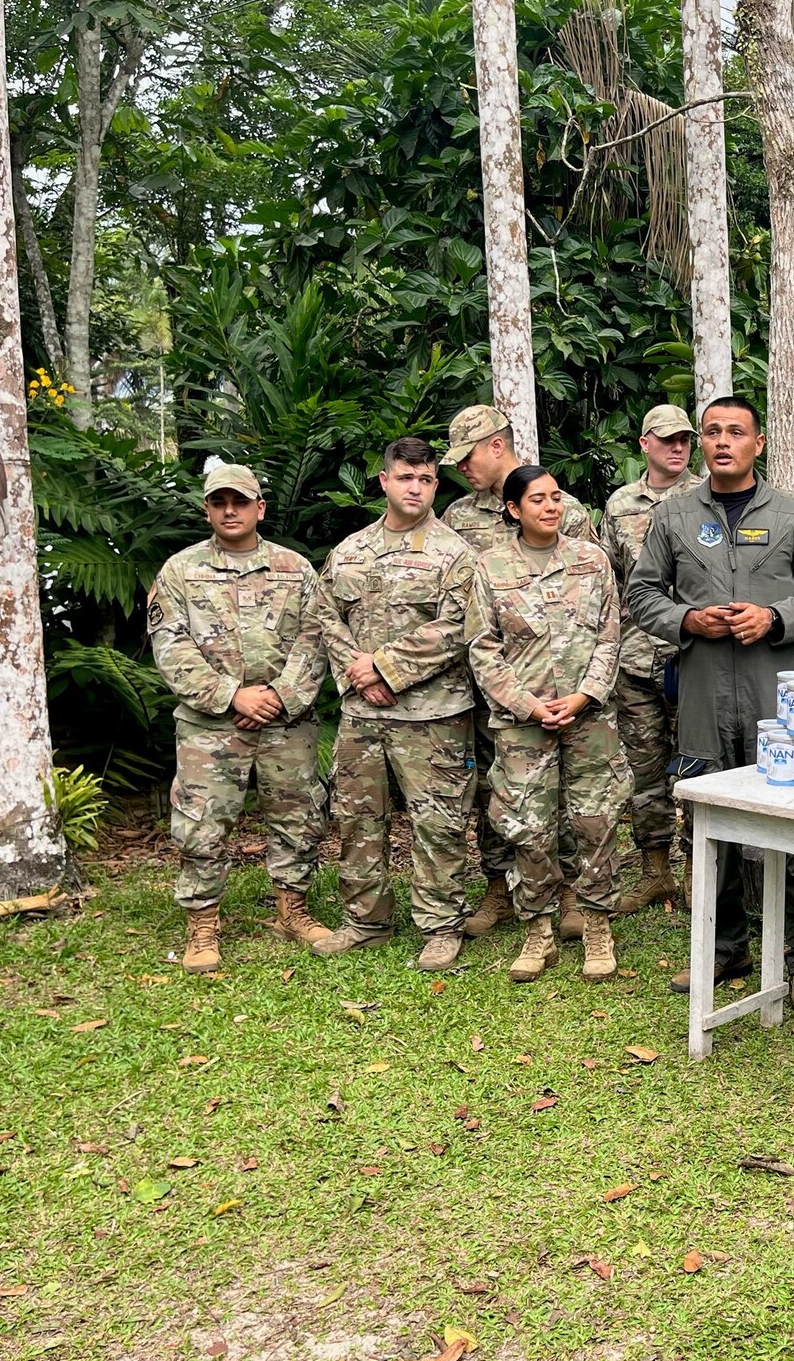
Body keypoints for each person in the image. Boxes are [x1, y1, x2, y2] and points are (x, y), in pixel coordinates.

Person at [627, 395, 794, 1011]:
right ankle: (726, 951)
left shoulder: (793, 516)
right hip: (701, 694)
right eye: (713, 432)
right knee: (709, 826)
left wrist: (774, 618)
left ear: (759, 444)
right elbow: (641, 594)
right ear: (701, 443)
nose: (723, 441)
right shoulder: (674, 517)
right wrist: (688, 619)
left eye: (737, 432)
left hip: (778, 697)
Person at [148, 463, 332, 973]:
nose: (230, 511)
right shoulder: (180, 572)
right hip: (211, 726)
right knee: (202, 823)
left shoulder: (295, 569)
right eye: (219, 502)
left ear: (260, 508)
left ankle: (292, 908)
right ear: (207, 509)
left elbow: (316, 640)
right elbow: (171, 647)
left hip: (285, 722)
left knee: (298, 817)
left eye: (240, 501)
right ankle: (203, 921)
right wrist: (233, 697)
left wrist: (277, 696)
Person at [310, 436, 479, 970]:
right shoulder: (351, 551)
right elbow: (325, 616)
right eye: (405, 477)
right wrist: (359, 676)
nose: (416, 488)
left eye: (426, 479)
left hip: (433, 715)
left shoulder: (454, 555)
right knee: (359, 817)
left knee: (439, 822)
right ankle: (366, 920)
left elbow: (458, 627)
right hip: (364, 714)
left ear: (435, 484)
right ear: (383, 481)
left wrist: (386, 667)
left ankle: (441, 926)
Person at [440, 403, 601, 942]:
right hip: (496, 684)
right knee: (504, 790)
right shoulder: (458, 517)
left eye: (466, 456)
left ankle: (576, 892)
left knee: (576, 791)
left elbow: (593, 598)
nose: (461, 468)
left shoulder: (568, 510)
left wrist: (580, 689)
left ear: (495, 446)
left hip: (566, 676)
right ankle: (500, 886)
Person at [467, 464, 631, 983]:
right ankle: (538, 931)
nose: (550, 506)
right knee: (530, 829)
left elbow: (610, 635)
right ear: (513, 509)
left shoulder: (592, 560)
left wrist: (585, 695)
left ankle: (597, 926)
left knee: (596, 822)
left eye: (556, 496)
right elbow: (482, 648)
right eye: (537, 499)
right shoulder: (488, 567)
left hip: (590, 718)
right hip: (523, 724)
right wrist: (527, 705)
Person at [601, 404, 702, 918]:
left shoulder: (708, 497)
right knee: (645, 771)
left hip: (694, 658)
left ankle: (696, 874)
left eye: (685, 439)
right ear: (645, 444)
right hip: (637, 660)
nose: (678, 448)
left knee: (698, 768)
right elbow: (612, 581)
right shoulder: (620, 505)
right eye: (667, 440)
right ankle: (655, 871)